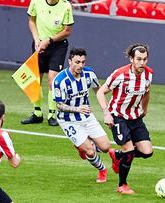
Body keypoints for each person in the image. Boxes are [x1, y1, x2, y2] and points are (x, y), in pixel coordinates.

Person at [96, 43, 154, 194]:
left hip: (135, 118)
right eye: (139, 59)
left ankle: (117, 155)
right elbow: (100, 92)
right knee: (129, 150)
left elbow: (147, 92)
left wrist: (145, 108)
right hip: (118, 116)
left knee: (147, 152)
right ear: (131, 59)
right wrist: (106, 113)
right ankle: (122, 185)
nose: (142, 63)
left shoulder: (148, 74)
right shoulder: (120, 74)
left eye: (145, 59)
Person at [52, 47, 111, 183]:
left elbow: (99, 90)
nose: (80, 65)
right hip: (67, 120)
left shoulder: (89, 74)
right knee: (90, 151)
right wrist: (77, 109)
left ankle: (82, 145)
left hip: (86, 116)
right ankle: (102, 169)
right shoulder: (60, 80)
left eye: (83, 62)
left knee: (106, 147)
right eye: (77, 62)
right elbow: (59, 105)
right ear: (70, 61)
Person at [21, 0, 74, 126]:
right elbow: (31, 21)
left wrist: (49, 40)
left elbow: (67, 31)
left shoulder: (66, 6)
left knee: (52, 79)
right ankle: (37, 113)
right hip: (39, 44)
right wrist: (36, 39)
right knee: (36, 78)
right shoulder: (36, 1)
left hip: (58, 46)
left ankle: (52, 114)